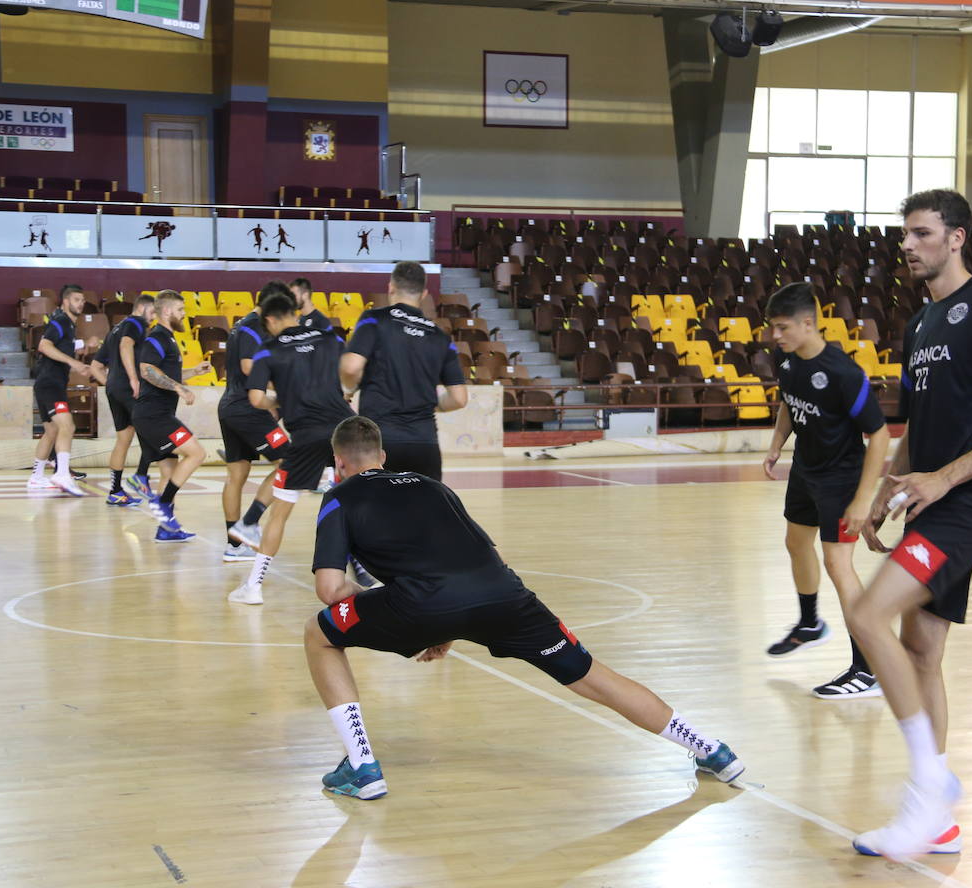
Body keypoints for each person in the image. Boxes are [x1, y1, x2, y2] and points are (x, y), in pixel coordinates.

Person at [302, 416, 746, 800]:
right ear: (383, 454)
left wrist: (375, 602)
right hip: (505, 595)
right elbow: (489, 559)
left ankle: (361, 767)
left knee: (319, 634)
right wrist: (448, 624)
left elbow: (328, 588)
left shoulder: (340, 496)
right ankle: (711, 749)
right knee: (594, 677)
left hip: (423, 603)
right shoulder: (434, 487)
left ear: (339, 463)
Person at [848, 190, 972, 860]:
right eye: (904, 235)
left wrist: (943, 480)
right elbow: (916, 429)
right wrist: (887, 489)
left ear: (957, 238)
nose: (908, 245)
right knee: (922, 651)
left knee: (868, 616)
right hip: (930, 502)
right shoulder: (920, 325)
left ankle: (929, 786)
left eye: (921, 233)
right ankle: (938, 823)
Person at [762, 282, 891, 699]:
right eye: (772, 328)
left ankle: (867, 669)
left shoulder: (843, 373)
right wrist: (777, 443)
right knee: (796, 541)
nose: (775, 336)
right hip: (806, 469)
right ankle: (809, 623)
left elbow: (880, 435)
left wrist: (862, 500)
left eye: (782, 328)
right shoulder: (786, 361)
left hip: (841, 479)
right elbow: (788, 401)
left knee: (839, 566)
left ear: (808, 323)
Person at [228, 291, 354, 604]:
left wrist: (282, 399)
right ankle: (370, 574)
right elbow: (351, 373)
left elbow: (257, 399)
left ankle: (253, 583)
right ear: (295, 314)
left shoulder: (267, 350)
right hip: (347, 430)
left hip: (308, 436)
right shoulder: (330, 338)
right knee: (359, 505)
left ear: (269, 320)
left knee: (280, 513)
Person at [339, 260, 468, 481]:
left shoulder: (374, 319)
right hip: (424, 443)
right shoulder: (441, 337)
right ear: (424, 293)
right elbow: (459, 399)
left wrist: (348, 389)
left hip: (379, 442)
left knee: (374, 513)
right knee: (422, 514)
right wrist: (427, 402)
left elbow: (351, 367)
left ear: (390, 287)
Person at [218, 288, 291, 562]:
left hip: (231, 407)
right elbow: (250, 368)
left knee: (236, 475)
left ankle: (233, 545)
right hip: (247, 409)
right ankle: (249, 524)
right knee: (290, 461)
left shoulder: (241, 326)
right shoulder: (251, 328)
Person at [133, 289, 211, 542]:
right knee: (197, 453)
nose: (184, 315)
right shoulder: (157, 336)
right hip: (154, 415)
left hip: (156, 414)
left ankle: (165, 529)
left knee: (169, 471)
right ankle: (163, 503)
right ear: (166, 311)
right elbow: (147, 370)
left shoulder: (169, 339)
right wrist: (177, 387)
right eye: (180, 310)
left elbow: (167, 375)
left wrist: (192, 373)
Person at [89, 294, 157, 507]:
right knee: (153, 433)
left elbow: (95, 366)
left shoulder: (114, 330)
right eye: (153, 312)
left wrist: (110, 385)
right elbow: (126, 346)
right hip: (130, 389)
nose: (154, 318)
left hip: (115, 390)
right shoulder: (135, 324)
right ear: (143, 308)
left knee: (124, 439)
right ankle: (141, 477)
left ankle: (116, 491)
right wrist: (133, 379)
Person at [28, 284, 95, 495]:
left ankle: (36, 477)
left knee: (52, 430)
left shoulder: (68, 326)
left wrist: (83, 345)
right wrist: (74, 363)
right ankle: (62, 473)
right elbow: (44, 346)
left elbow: (63, 345)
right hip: (50, 383)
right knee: (68, 426)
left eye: (82, 300)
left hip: (48, 383)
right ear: (66, 302)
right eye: (76, 300)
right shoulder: (61, 321)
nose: (81, 304)